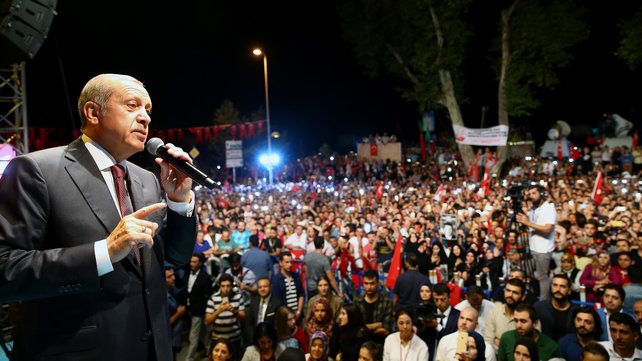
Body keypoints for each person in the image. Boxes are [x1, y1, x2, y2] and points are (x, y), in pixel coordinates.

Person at [0, 73, 198, 361]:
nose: (145, 118)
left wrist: (179, 202)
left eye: (148, 110)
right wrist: (102, 253)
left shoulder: (147, 180)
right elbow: (5, 271)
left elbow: (176, 256)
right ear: (93, 112)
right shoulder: (37, 170)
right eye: (132, 105)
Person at [515, 184, 556, 300]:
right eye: (530, 194)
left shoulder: (548, 208)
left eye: (534, 193)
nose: (531, 196)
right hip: (533, 247)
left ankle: (544, 301)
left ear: (542, 194)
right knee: (531, 275)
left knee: (542, 277)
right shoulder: (533, 208)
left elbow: (547, 228)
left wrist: (528, 223)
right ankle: (532, 296)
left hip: (543, 249)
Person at [496, 304, 562, 361]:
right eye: (516, 321)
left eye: (523, 321)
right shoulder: (507, 338)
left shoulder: (551, 347)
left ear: (535, 323)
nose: (518, 325)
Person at [206, 273, 247, 359]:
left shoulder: (238, 297)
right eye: (223, 286)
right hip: (217, 339)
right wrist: (218, 311)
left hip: (234, 338)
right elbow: (207, 321)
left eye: (228, 286)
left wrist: (234, 311)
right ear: (219, 286)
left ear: (232, 286)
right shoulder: (213, 298)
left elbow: (243, 318)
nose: (226, 289)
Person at [185, 253, 215, 361]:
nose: (191, 264)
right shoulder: (187, 273)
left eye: (194, 262)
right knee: (203, 334)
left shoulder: (205, 277)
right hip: (189, 309)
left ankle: (189, 358)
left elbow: (209, 294)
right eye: (191, 261)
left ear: (200, 263)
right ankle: (208, 351)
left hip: (199, 310)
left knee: (194, 336)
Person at [484, 278, 526, 351]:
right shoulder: (494, 312)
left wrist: (502, 344)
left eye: (515, 292)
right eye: (508, 291)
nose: (510, 295)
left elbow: (528, 346)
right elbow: (488, 342)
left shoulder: (528, 317)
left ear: (523, 297)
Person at [533, 273, 579, 340]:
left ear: (569, 291)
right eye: (555, 285)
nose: (558, 289)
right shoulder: (539, 307)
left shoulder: (576, 311)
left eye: (562, 286)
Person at [356, 269, 393, 344]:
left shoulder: (386, 302)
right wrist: (378, 324)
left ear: (378, 283)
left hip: (380, 344)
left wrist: (365, 329)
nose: (369, 287)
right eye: (366, 283)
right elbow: (356, 328)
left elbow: (386, 330)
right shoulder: (357, 302)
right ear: (363, 284)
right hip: (360, 344)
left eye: (372, 283)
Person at [272, 252, 305, 323]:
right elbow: (277, 302)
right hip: (284, 318)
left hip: (297, 316)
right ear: (280, 263)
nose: (289, 265)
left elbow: (301, 294)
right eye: (286, 262)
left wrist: (298, 311)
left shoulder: (296, 276)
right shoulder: (276, 280)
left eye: (291, 262)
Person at [166, 266, 187, 360]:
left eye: (173, 275)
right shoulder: (163, 298)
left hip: (174, 337)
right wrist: (179, 313)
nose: (173, 278)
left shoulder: (170, 293)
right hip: (169, 339)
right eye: (169, 276)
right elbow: (165, 322)